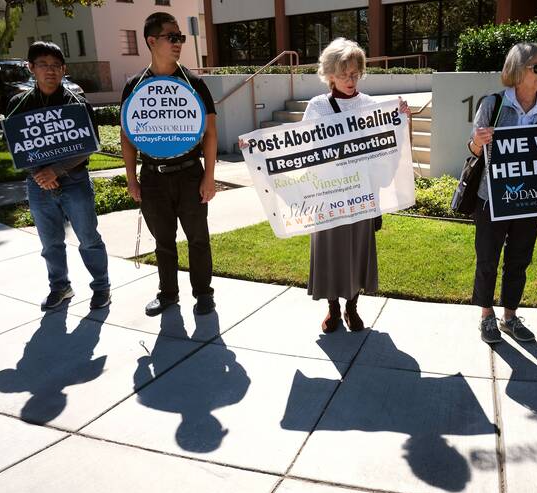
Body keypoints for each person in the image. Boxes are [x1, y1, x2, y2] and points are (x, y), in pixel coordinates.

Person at [243, 38, 409, 333]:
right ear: (330, 74)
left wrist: (400, 120)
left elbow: (387, 150)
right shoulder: (318, 107)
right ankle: (333, 308)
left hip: (362, 196)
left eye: (356, 73)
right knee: (329, 253)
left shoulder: (371, 106)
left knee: (358, 251)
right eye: (344, 73)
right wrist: (257, 147)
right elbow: (299, 150)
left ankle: (352, 307)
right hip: (327, 195)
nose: (350, 79)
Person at [121, 12, 218, 317]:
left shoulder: (194, 84)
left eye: (180, 37)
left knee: (198, 239)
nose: (178, 43)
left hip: (190, 173)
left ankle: (203, 294)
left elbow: (211, 133)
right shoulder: (135, 86)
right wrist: (131, 179)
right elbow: (127, 136)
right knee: (163, 242)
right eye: (171, 37)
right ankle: (168, 294)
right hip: (152, 178)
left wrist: (210, 177)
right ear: (152, 41)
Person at [468, 42, 537, 344]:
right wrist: (478, 142)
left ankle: (510, 317)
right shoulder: (493, 104)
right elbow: (472, 150)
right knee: (487, 258)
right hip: (491, 197)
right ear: (517, 70)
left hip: (529, 199)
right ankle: (486, 317)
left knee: (519, 259)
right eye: (536, 67)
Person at [6, 41, 110, 311]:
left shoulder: (76, 103)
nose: (49, 71)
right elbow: (17, 145)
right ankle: (60, 287)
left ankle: (101, 287)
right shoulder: (19, 104)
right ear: (31, 68)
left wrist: (57, 170)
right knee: (50, 243)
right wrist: (40, 174)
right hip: (38, 185)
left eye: (55, 66)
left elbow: (90, 144)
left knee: (88, 239)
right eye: (43, 65)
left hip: (75, 181)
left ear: (63, 69)